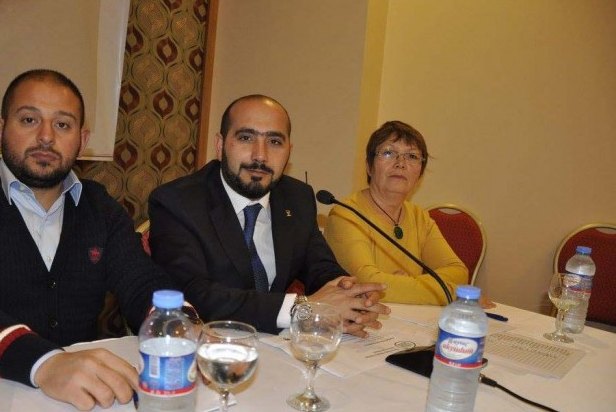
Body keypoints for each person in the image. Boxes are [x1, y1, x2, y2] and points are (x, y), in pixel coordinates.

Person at [0, 69, 175, 411]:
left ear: (82, 141)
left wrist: (179, 326)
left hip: (82, 400)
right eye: (29, 120)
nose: (46, 137)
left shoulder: (100, 207)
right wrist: (45, 363)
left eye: (63, 125)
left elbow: (141, 280)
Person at [148, 94, 390, 336]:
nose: (260, 156)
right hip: (213, 343)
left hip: (276, 345)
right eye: (246, 138)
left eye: (274, 142)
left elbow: (320, 266)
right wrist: (301, 309)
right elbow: (192, 293)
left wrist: (351, 296)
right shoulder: (177, 202)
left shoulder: (297, 197)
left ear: (289, 152)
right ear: (220, 146)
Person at [324, 120, 487, 306]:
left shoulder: (420, 217)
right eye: (388, 153)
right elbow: (367, 281)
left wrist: (406, 285)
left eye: (412, 156)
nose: (400, 163)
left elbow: (458, 272)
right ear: (369, 166)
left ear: (420, 174)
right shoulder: (345, 214)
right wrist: (449, 292)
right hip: (358, 317)